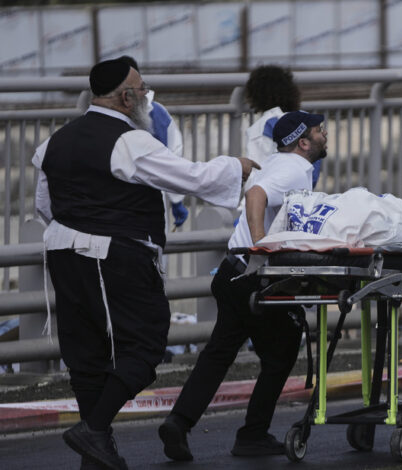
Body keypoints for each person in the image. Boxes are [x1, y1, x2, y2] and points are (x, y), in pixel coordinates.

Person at [32, 58, 257, 470]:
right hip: (116, 255)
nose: (145, 95)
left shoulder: (53, 143)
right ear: (126, 97)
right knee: (146, 344)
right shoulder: (129, 141)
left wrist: (78, 231)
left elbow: (44, 206)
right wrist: (235, 166)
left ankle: (96, 451)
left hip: (62, 253)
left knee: (86, 354)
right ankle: (93, 429)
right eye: (141, 88)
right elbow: (191, 178)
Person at [157, 110, 328, 461]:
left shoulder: (278, 163)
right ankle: (252, 434)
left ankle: (179, 421)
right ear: (303, 142)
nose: (324, 134)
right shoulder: (296, 168)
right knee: (282, 351)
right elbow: (256, 195)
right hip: (254, 276)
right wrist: (261, 245)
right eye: (318, 130)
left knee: (219, 352)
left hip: (232, 273)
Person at [119, 56, 189, 231]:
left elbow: (173, 158)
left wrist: (176, 199)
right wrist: (176, 200)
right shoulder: (157, 113)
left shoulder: (156, 113)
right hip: (147, 202)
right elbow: (173, 157)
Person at [244, 64, 322, 188]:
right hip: (303, 195)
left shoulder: (264, 126)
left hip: (271, 196)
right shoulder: (308, 121)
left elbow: (255, 176)